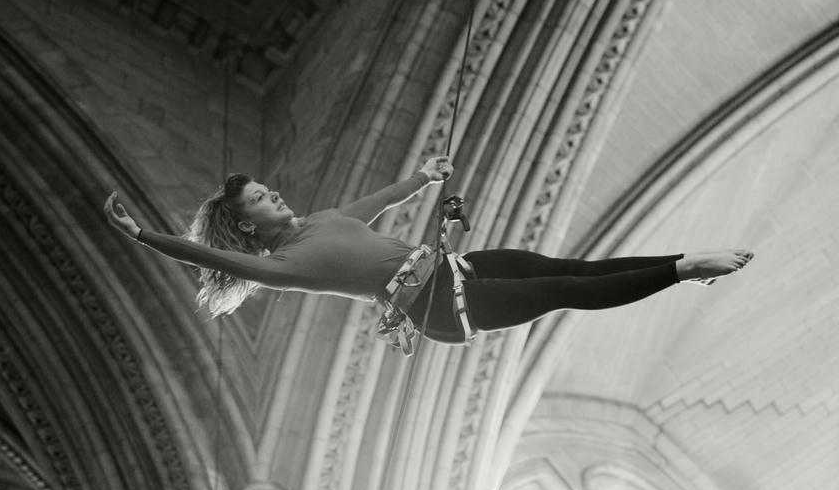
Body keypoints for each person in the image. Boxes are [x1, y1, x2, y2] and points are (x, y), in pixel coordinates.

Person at [103, 157, 753, 343]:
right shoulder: (279, 266)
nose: (276, 198)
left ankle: (681, 264)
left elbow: (376, 205)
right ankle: (681, 269)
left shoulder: (324, 218)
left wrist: (422, 178)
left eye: (271, 191)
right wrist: (143, 235)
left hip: (451, 268)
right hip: (439, 305)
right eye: (263, 202)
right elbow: (212, 261)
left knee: (563, 269)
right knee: (562, 292)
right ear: (248, 228)